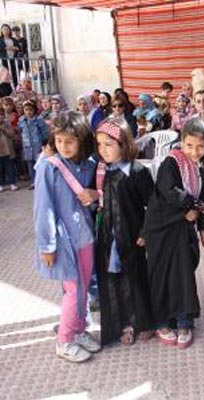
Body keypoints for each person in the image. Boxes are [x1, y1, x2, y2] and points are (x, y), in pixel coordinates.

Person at [33, 111, 101, 362]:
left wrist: (94, 195)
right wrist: (47, 245)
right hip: (64, 241)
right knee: (73, 290)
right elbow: (43, 208)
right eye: (59, 140)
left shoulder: (88, 164)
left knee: (84, 288)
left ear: (82, 140)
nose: (64, 146)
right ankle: (64, 340)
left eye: (70, 141)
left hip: (85, 237)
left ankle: (79, 330)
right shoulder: (48, 167)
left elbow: (92, 198)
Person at [144, 118, 204, 349]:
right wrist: (191, 207)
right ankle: (161, 321)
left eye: (200, 146)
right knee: (161, 274)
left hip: (183, 230)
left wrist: (203, 227)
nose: (194, 151)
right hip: (162, 227)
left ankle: (183, 321)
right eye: (189, 145)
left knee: (183, 274)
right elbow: (168, 191)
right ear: (181, 142)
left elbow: (202, 202)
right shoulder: (172, 162)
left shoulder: (201, 168)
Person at [94, 117, 155, 345]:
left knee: (135, 279)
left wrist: (145, 232)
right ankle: (122, 324)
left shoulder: (136, 171)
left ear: (123, 144)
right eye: (99, 144)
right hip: (107, 239)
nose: (103, 150)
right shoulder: (101, 171)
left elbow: (153, 205)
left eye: (108, 144)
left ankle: (142, 322)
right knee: (113, 280)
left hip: (131, 237)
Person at [18, 100, 49, 187]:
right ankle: (34, 181)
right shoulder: (21, 120)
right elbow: (20, 131)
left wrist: (44, 143)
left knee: (39, 163)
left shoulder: (39, 120)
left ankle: (41, 181)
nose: (29, 112)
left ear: (34, 110)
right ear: (23, 110)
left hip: (37, 145)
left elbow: (44, 132)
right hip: (27, 146)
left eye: (31, 109)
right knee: (30, 164)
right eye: (26, 110)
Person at [0, 111, 18, 192]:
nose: (0, 117)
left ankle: (12, 183)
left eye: (1, 115)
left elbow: (12, 134)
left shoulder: (7, 124)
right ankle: (1, 184)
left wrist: (4, 129)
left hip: (8, 150)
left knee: (10, 167)